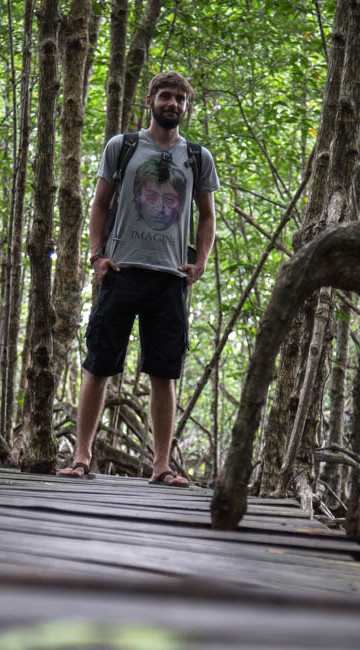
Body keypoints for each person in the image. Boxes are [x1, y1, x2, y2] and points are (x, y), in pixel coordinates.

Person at [57, 71, 219, 486]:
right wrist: (96, 255)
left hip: (169, 279)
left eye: (181, 99)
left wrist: (199, 263)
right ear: (150, 100)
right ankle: (80, 457)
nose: (174, 104)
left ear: (187, 106)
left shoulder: (197, 157)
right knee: (98, 365)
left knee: (164, 373)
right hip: (121, 271)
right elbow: (99, 204)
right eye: (166, 96)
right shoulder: (123, 147)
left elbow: (206, 216)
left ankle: (161, 466)